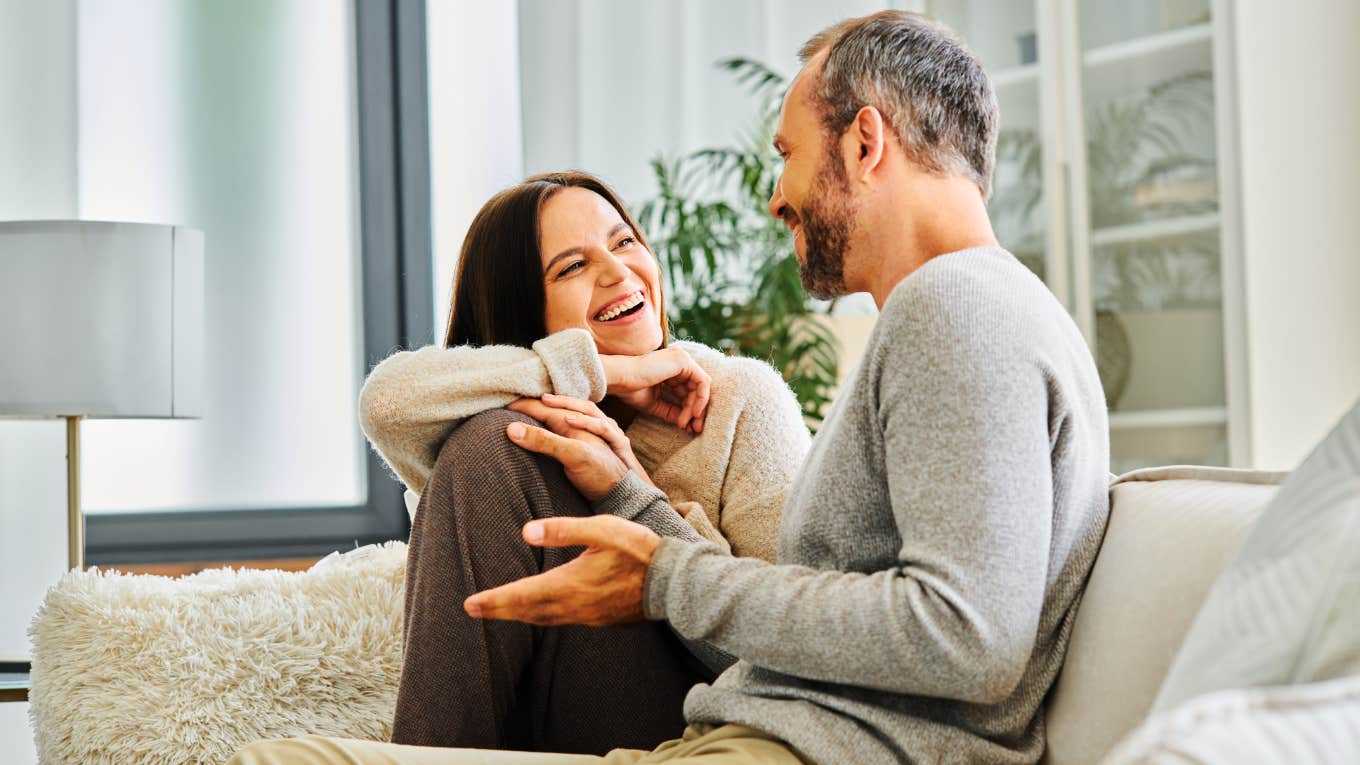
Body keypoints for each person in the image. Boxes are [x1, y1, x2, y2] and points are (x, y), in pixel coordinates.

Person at [228, 9, 1110, 765]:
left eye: (789, 153)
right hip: (762, 735)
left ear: (866, 143)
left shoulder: (955, 307)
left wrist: (663, 577)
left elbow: (967, 638)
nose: (776, 196)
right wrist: (630, 501)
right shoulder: (961, 313)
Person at [355, 170, 812, 753]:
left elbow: (790, 654)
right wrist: (606, 372)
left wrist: (630, 494)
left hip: (699, 724)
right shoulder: (490, 417)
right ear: (523, 311)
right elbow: (386, 401)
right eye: (572, 266)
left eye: (624, 242)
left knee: (501, 440)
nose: (619, 270)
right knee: (498, 438)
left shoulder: (739, 398)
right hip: (531, 718)